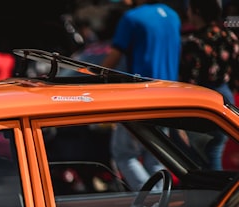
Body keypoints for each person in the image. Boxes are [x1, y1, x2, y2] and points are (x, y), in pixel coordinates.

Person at [102, 0, 181, 189]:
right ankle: (158, 206)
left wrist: (89, 76)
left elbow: (113, 57)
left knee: (124, 154)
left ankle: (152, 202)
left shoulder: (132, 17)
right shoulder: (172, 15)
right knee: (156, 159)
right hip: (170, 98)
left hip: (141, 98)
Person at [180, 0, 239, 169]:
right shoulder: (229, 36)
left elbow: (188, 81)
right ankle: (218, 192)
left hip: (202, 102)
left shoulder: (194, 42)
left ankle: (211, 193)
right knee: (214, 151)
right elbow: (236, 73)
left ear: (196, 11)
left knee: (198, 158)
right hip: (225, 99)